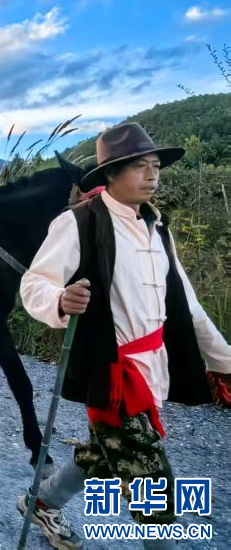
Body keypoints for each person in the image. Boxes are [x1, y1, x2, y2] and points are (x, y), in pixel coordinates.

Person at [17, 123, 231, 549]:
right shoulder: (79, 222)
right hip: (114, 377)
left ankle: (41, 502)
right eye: (139, 166)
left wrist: (224, 361)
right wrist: (61, 299)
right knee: (155, 491)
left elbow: (187, 307)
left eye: (155, 166)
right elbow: (33, 285)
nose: (152, 175)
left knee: (102, 454)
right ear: (110, 174)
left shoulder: (157, 230)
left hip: (153, 370)